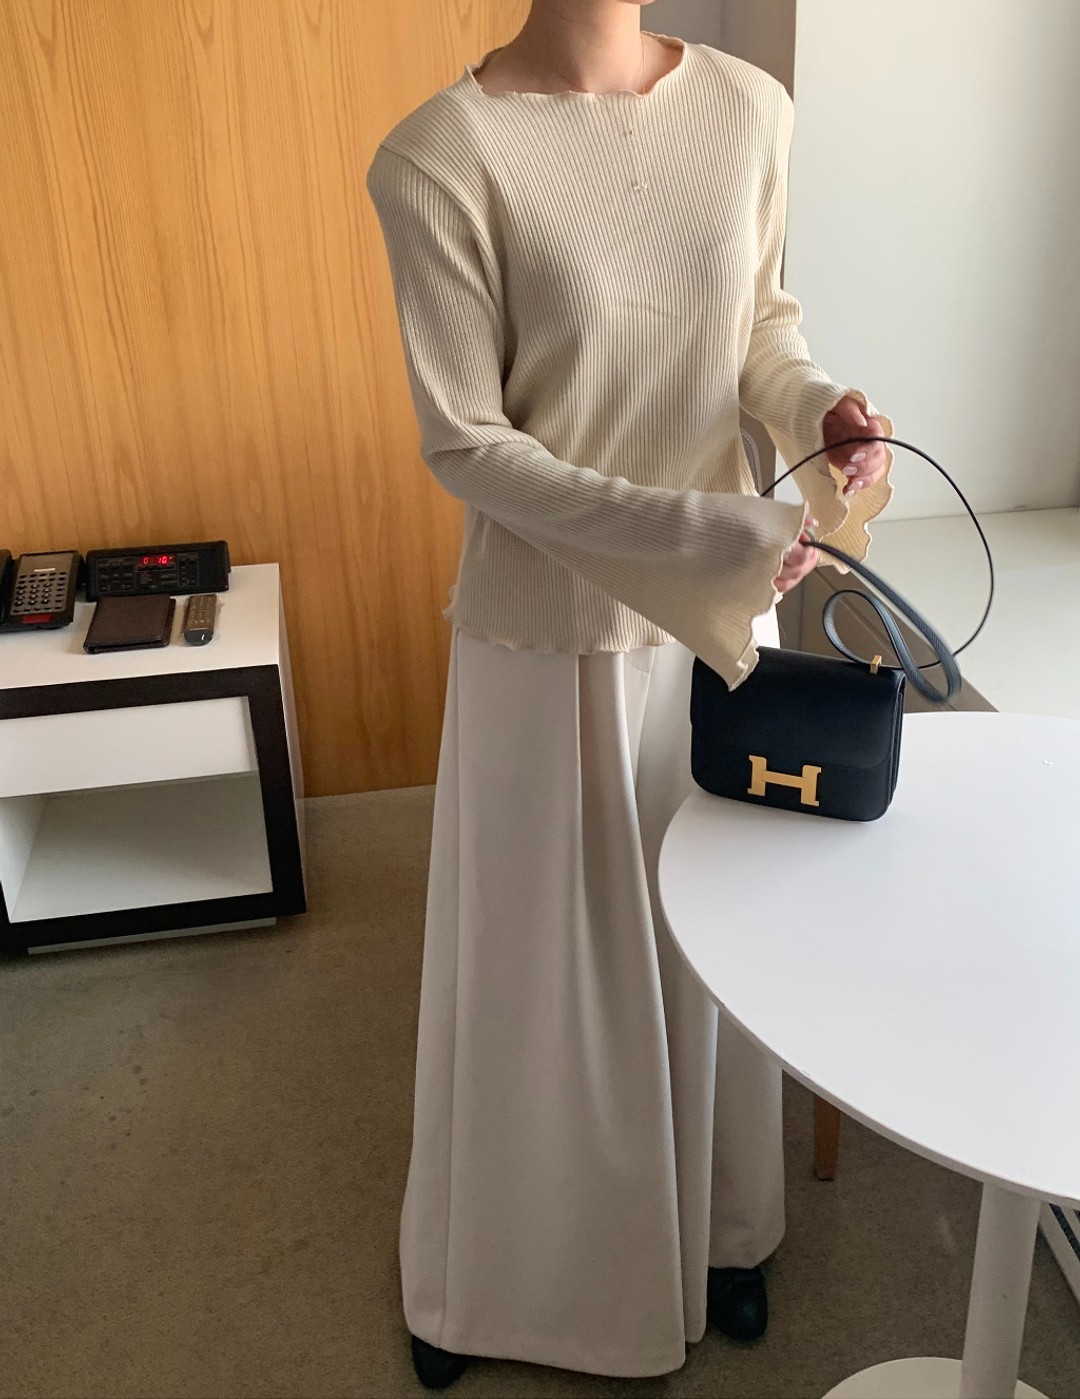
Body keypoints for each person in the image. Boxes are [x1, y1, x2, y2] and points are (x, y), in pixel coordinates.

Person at [367, 0, 892, 1388]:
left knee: (715, 940)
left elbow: (758, 328)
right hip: (549, 634)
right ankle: (502, 1289)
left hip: (715, 619)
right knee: (547, 972)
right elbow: (468, 443)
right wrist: (705, 532)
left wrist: (820, 412)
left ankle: (724, 1229)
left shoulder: (749, 109)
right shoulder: (441, 156)